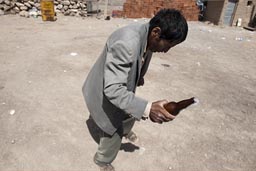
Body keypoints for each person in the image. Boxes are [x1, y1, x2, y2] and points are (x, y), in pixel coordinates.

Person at [82, 8, 188, 171]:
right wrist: (148, 108)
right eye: (168, 45)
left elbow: (141, 56)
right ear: (156, 32)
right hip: (104, 90)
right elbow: (112, 90)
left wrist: (139, 77)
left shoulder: (148, 36)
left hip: (120, 86)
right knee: (113, 127)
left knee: (131, 111)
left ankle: (125, 130)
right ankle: (102, 161)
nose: (167, 51)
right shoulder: (127, 42)